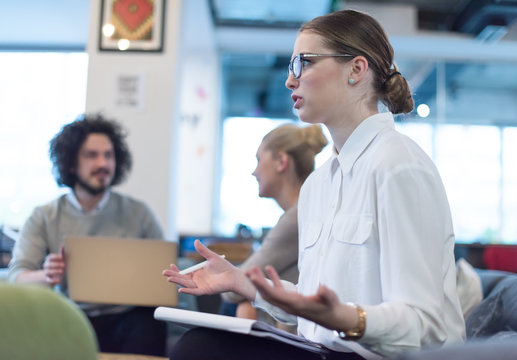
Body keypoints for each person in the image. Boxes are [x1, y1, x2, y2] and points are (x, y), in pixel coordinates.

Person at [163, 9, 465, 360]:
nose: (291, 81)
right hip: (321, 349)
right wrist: (245, 284)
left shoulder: (399, 166)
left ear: (356, 69)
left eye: (304, 63)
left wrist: (345, 318)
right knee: (199, 344)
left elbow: (425, 326)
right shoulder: (319, 184)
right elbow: (312, 303)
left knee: (199, 350)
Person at [8, 114, 167, 356]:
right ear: (71, 163)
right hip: (70, 315)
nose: (103, 163)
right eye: (92, 155)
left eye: (108, 155)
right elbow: (17, 277)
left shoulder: (139, 213)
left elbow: (165, 274)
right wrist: (47, 275)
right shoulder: (44, 216)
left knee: (149, 321)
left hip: (127, 318)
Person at [220, 123, 327, 326]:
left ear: (281, 161)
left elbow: (232, 290)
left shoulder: (297, 217)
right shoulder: (304, 211)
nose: (254, 171)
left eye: (259, 160)